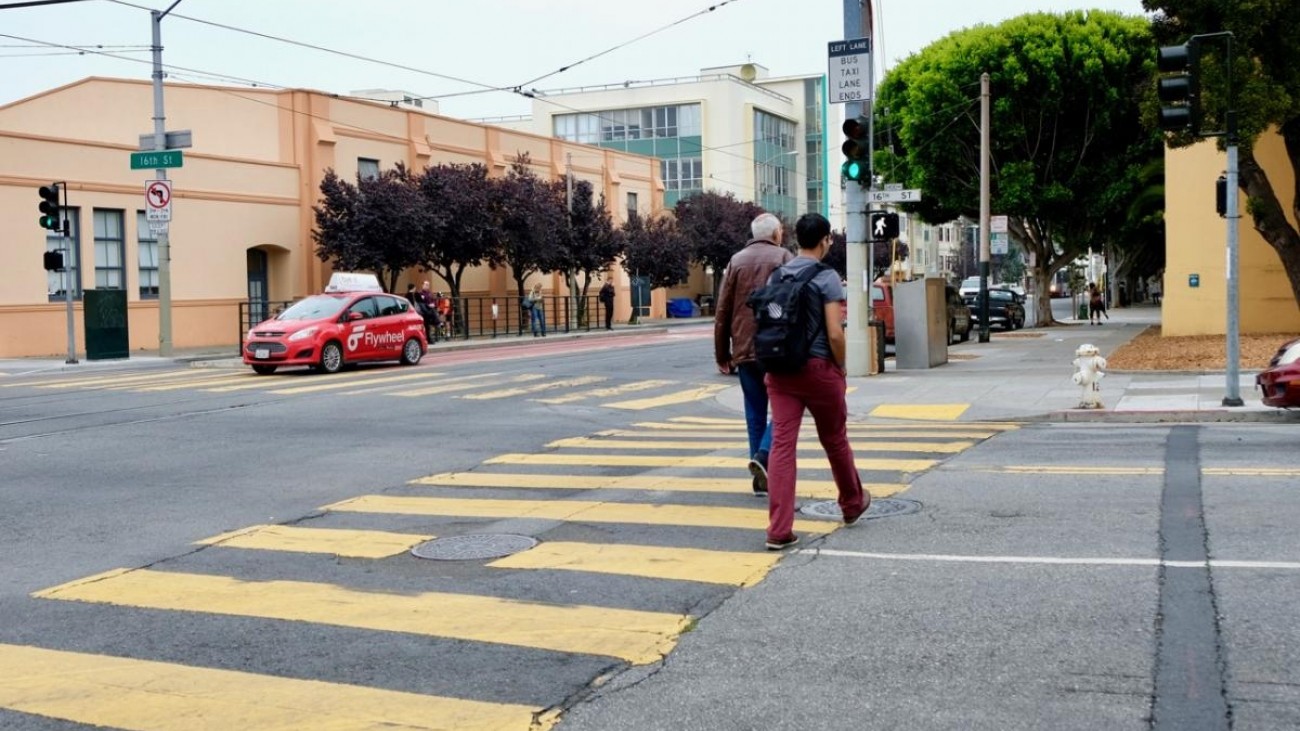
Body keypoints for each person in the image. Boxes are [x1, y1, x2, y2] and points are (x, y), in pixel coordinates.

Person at [762, 212, 868, 550]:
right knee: (834, 439)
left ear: (796, 239)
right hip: (820, 369)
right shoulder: (827, 277)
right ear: (824, 240)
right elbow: (835, 333)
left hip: (780, 370)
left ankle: (779, 530)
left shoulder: (777, 274)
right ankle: (851, 504)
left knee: (781, 446)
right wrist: (841, 366)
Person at [714, 211, 792, 496]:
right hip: (778, 347)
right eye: (781, 230)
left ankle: (760, 476)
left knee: (754, 411)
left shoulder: (736, 261)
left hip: (745, 348)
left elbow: (722, 310)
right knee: (785, 409)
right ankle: (763, 455)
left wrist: (723, 352)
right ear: (774, 234)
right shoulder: (784, 257)